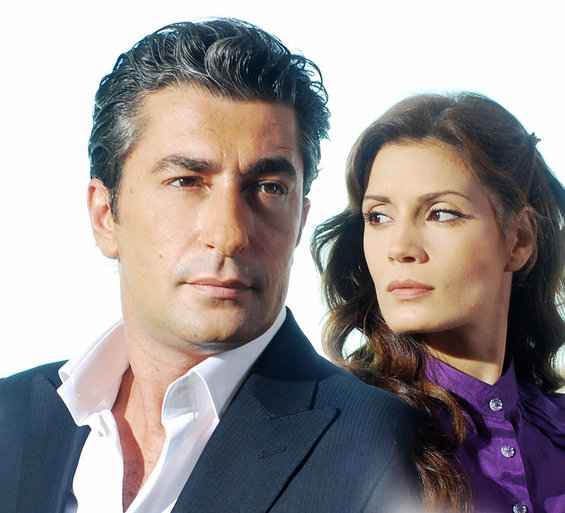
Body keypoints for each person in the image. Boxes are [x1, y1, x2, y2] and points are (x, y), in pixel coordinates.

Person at [0, 19, 428, 513]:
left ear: (300, 220)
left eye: (269, 188)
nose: (229, 233)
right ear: (105, 215)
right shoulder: (12, 418)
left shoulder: (385, 447)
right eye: (187, 181)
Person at [312, 91, 565, 513]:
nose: (399, 247)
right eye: (379, 216)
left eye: (441, 213)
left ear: (519, 240)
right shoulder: (331, 437)